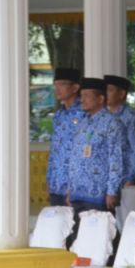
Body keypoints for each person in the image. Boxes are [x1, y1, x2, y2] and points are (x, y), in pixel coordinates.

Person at [65, 78, 124, 215]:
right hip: (77, 192)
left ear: (100, 99)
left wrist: (112, 191)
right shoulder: (82, 123)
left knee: (99, 233)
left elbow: (116, 159)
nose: (82, 99)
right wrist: (70, 189)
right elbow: (74, 158)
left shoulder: (112, 123)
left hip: (98, 194)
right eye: (81, 95)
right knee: (78, 234)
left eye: (87, 95)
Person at [104, 74, 135, 221]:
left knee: (126, 220)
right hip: (108, 178)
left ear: (122, 94)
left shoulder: (131, 116)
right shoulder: (105, 116)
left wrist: (132, 176)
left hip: (126, 178)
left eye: (110, 90)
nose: (106, 93)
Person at [47, 67, 82, 206]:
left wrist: (75, 185)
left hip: (75, 183)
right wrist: (49, 177)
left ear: (75, 87)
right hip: (57, 182)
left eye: (62, 84)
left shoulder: (84, 113)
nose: (57, 89)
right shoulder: (59, 115)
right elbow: (54, 149)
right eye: (55, 85)